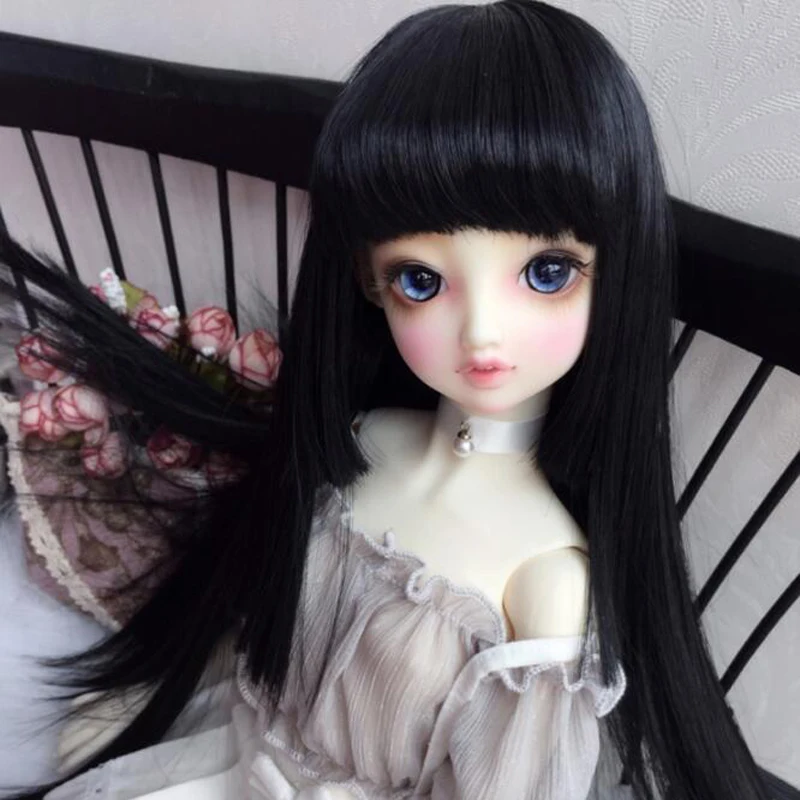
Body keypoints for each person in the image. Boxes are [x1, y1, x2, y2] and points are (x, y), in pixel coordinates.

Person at [0, 1, 770, 798]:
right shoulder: (359, 440)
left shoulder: (544, 580)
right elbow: (260, 643)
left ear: (614, 277)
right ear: (370, 283)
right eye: (420, 280)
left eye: (548, 273)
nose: (481, 332)